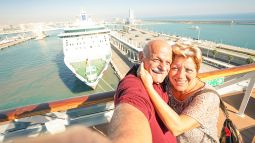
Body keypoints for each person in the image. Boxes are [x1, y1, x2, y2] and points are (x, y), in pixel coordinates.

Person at [138, 43, 220, 143]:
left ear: (196, 71)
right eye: (175, 68)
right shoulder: (168, 82)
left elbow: (177, 127)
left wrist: (149, 87)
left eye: (188, 70)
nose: (180, 75)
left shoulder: (208, 97)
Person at [108, 39, 176, 143]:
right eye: (156, 60)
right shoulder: (133, 85)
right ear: (141, 57)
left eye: (168, 62)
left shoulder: (159, 79)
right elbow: (131, 107)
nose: (163, 67)